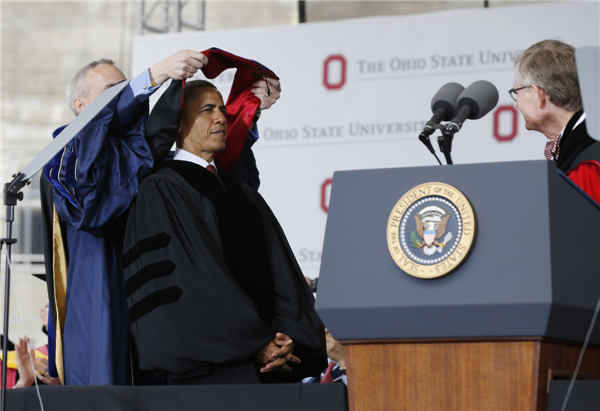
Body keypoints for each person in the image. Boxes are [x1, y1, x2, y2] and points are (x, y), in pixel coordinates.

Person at [40, 50, 279, 386]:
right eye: (114, 91)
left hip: (165, 325)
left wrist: (247, 112)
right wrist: (150, 77)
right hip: (106, 306)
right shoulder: (68, 159)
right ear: (81, 106)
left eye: (127, 88)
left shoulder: (143, 156)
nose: (131, 96)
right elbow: (93, 204)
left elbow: (223, 185)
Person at [122, 79, 327, 385]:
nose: (220, 117)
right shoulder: (161, 188)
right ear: (177, 125)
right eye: (207, 110)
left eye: (222, 109)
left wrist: (288, 337)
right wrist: (254, 342)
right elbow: (188, 281)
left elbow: (281, 270)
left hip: (271, 370)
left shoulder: (242, 193)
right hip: (210, 375)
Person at [511, 39, 600, 203]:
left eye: (517, 92)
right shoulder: (579, 151)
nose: (516, 104)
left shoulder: (590, 165)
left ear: (539, 94)